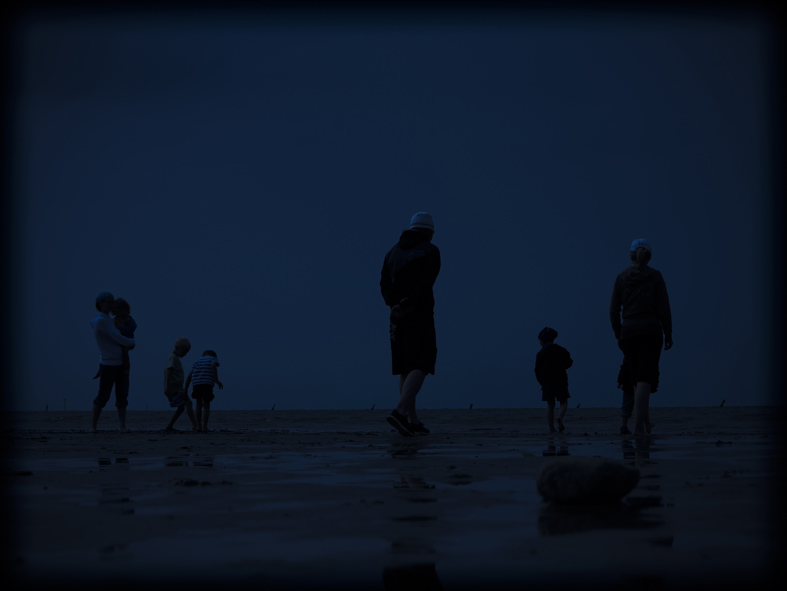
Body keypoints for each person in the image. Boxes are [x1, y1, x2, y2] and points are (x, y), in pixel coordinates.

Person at [380, 212, 441, 436]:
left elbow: (383, 284)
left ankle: (411, 420)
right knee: (422, 363)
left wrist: (394, 304)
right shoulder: (430, 251)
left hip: (396, 316)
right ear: (429, 232)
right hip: (419, 313)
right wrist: (409, 303)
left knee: (405, 367)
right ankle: (399, 411)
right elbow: (426, 283)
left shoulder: (391, 252)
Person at [610, 239, 673, 436]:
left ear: (631, 256)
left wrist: (618, 332)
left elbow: (613, 309)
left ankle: (645, 423)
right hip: (651, 330)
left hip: (628, 331)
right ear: (650, 256)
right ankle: (639, 427)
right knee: (645, 378)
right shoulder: (655, 276)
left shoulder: (622, 277)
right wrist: (668, 333)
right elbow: (664, 308)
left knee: (636, 378)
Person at [91, 292, 136, 432]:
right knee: (103, 396)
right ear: (101, 304)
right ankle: (93, 426)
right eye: (109, 302)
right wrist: (131, 342)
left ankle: (122, 425)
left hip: (120, 362)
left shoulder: (109, 320)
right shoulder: (101, 321)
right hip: (109, 363)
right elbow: (117, 337)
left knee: (122, 395)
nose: (112, 304)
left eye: (112, 302)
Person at [534, 327, 573, 433]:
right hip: (560, 379)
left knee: (550, 405)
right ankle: (560, 417)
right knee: (563, 401)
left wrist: (541, 382)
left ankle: (551, 428)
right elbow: (569, 363)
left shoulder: (540, 353)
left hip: (547, 382)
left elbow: (537, 370)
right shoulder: (561, 350)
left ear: (542, 340)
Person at [93, 297, 136, 379]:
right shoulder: (114, 320)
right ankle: (102, 369)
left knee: (124, 353)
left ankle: (126, 369)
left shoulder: (128, 318)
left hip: (127, 339)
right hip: (118, 340)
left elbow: (132, 327)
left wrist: (121, 329)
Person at [617, 355, 659, 435]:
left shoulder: (628, 359)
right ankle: (639, 426)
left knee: (627, 407)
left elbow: (623, 370)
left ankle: (625, 426)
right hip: (632, 386)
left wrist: (620, 381)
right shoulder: (642, 361)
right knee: (639, 406)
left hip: (628, 386)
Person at [163, 337, 198, 432]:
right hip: (174, 388)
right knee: (188, 403)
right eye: (184, 352)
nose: (185, 354)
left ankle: (169, 426)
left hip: (178, 388)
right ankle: (195, 425)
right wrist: (167, 387)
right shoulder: (172, 358)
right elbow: (168, 372)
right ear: (177, 348)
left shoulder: (175, 359)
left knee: (181, 407)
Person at [184, 350, 223, 432]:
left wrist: (186, 388)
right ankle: (205, 427)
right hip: (207, 384)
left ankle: (198, 426)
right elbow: (213, 365)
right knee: (206, 405)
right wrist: (217, 380)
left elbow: (189, 375)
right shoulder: (212, 358)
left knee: (198, 404)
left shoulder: (197, 361)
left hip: (196, 384)